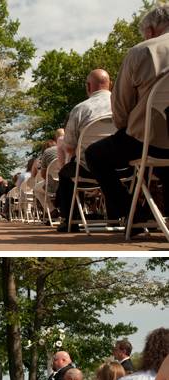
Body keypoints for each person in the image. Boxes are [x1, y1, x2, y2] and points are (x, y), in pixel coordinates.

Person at [86, 4, 169, 236]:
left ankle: (132, 212)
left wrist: (126, 127)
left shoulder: (142, 51)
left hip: (149, 142)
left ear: (150, 29)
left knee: (94, 155)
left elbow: (120, 111)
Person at [56, 69, 112, 233]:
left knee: (65, 174)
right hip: (125, 167)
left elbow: (70, 147)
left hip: (87, 170)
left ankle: (70, 220)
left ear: (88, 87)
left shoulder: (80, 110)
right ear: (110, 85)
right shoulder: (124, 104)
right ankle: (127, 214)